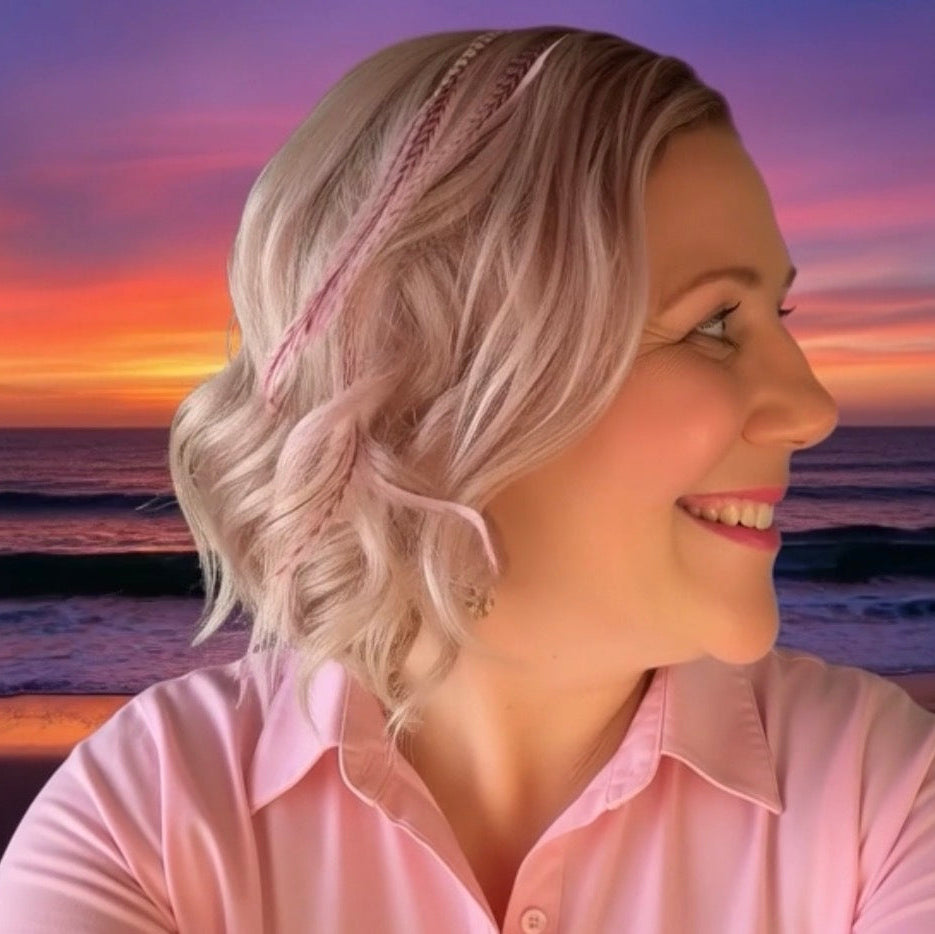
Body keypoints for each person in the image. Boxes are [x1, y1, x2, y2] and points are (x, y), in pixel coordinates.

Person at [1, 25, 933, 933]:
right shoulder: (147, 814)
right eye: (713, 323)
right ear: (435, 376)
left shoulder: (881, 794)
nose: (810, 408)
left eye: (780, 313)